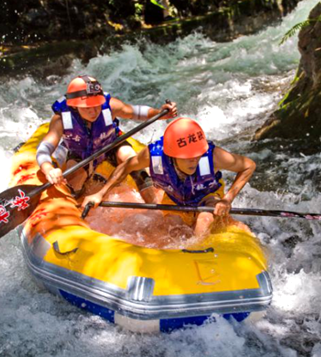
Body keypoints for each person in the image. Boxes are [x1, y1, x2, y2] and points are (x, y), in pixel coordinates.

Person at [82, 118, 257, 237]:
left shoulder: (213, 155)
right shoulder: (154, 155)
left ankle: (198, 254)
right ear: (172, 155)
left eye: (196, 155)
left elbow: (249, 165)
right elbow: (127, 165)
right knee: (171, 230)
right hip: (175, 199)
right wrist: (101, 193)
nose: (194, 161)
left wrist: (227, 200)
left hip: (207, 196)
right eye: (187, 157)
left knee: (204, 218)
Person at [36, 75, 177, 199]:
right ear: (74, 106)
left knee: (130, 159)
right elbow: (44, 149)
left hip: (111, 144)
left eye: (96, 105)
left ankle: (154, 207)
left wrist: (160, 113)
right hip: (81, 153)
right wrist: (49, 169)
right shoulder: (61, 120)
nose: (93, 111)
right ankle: (79, 206)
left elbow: (135, 112)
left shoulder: (109, 106)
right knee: (74, 181)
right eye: (87, 108)